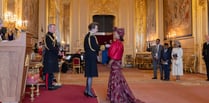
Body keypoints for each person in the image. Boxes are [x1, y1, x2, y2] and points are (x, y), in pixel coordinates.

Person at [107, 27, 144, 103]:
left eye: (115, 33)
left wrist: (110, 62)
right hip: (116, 64)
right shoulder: (117, 42)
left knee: (116, 80)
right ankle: (117, 95)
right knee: (117, 79)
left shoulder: (118, 43)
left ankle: (117, 97)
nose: (114, 34)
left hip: (115, 63)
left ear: (119, 35)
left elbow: (116, 55)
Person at [84, 22, 100, 98]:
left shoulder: (87, 36)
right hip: (91, 57)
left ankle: (87, 90)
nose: (97, 29)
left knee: (89, 74)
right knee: (90, 75)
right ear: (93, 28)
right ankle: (89, 92)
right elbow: (95, 47)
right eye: (96, 28)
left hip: (88, 56)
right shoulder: (91, 37)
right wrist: (104, 46)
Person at [43, 24, 60, 90]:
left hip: (53, 56)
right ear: (49, 28)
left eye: (55, 28)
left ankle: (51, 84)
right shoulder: (47, 36)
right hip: (49, 56)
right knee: (48, 71)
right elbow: (49, 47)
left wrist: (58, 49)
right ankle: (48, 86)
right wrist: (57, 50)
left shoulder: (52, 36)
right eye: (53, 28)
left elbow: (55, 45)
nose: (54, 30)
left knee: (51, 71)